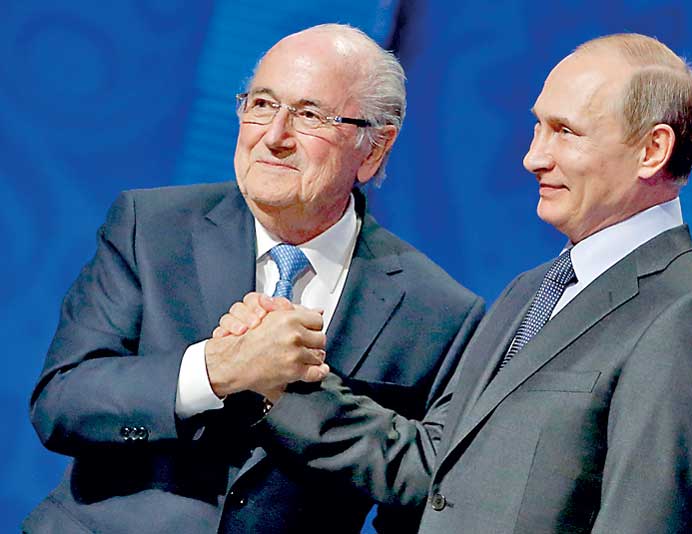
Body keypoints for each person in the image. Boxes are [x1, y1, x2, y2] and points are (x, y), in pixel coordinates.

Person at [231, 33, 692, 533]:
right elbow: (432, 466)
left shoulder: (690, 315)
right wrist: (283, 379)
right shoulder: (532, 290)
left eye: (565, 132)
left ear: (652, 151)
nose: (534, 157)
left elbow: (643, 522)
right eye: (538, 128)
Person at [23, 23, 484, 534]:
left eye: (309, 115)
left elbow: (424, 490)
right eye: (262, 105)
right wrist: (214, 370)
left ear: (373, 149)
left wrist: (289, 385)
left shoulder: (438, 310)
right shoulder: (149, 226)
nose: (274, 137)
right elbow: (62, 403)